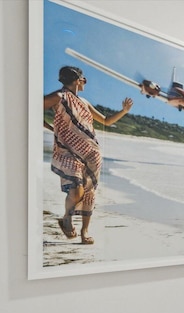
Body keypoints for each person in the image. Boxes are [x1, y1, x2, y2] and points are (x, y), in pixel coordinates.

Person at [43, 66, 133, 244]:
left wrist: (123, 111)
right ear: (78, 80)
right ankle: (67, 218)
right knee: (76, 189)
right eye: (84, 79)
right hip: (68, 150)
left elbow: (106, 121)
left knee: (89, 192)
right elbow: (32, 107)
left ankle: (84, 231)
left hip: (92, 153)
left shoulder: (84, 102)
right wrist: (48, 127)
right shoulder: (59, 97)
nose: (85, 82)